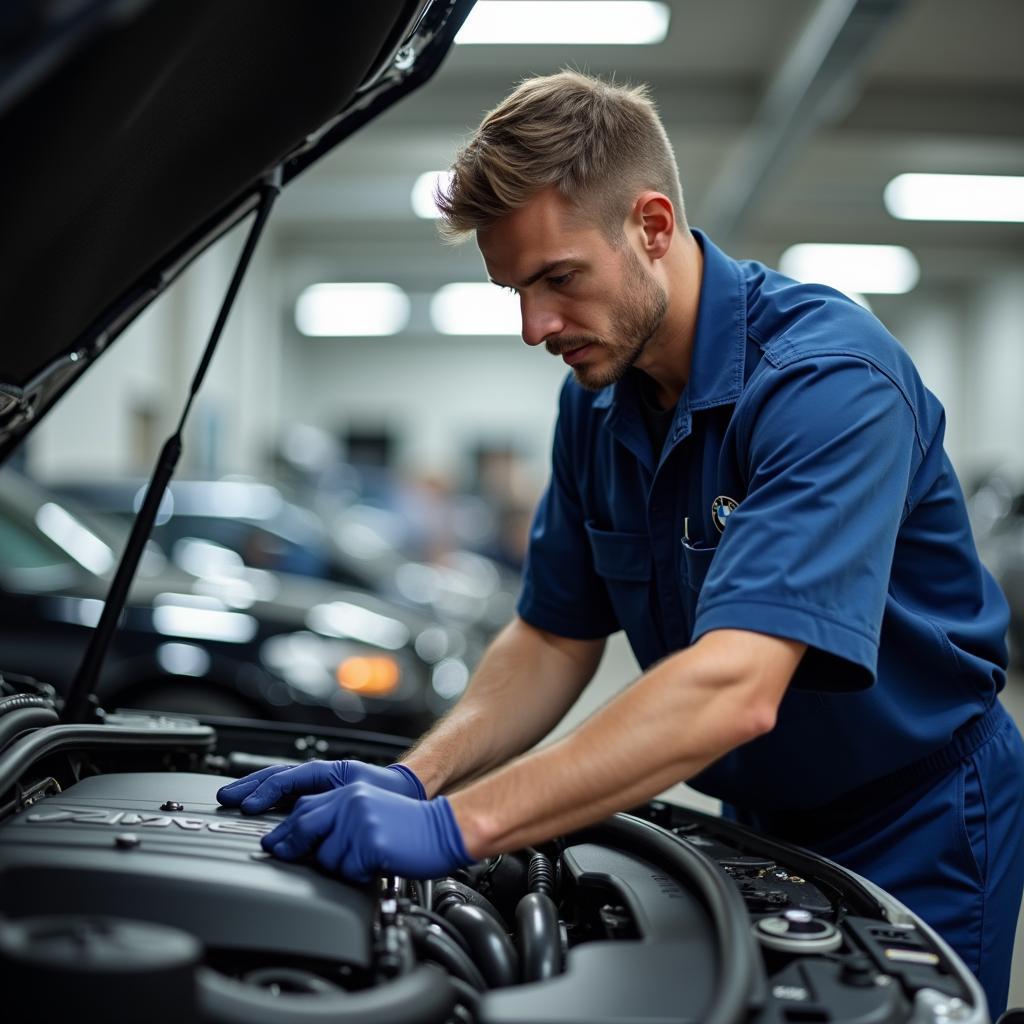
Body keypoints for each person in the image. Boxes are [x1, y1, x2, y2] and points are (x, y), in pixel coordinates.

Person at [218, 72, 1024, 1015]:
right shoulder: (598, 402)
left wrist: (456, 827)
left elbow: (733, 688)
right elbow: (555, 635)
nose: (534, 327)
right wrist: (415, 774)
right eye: (515, 289)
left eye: (558, 279)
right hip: (761, 812)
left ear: (650, 224)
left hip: (917, 815)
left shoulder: (827, 381)